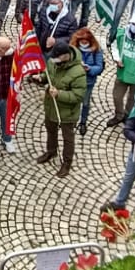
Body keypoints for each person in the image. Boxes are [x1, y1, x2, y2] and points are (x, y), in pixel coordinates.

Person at [37, 42, 86, 177]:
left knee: (68, 138)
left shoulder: (78, 72)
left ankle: (67, 162)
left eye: (56, 57)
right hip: (51, 106)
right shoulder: (53, 62)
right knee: (50, 130)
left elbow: (78, 96)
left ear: (65, 56)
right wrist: (41, 78)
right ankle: (51, 151)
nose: (53, 60)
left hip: (68, 112)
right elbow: (48, 75)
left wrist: (59, 94)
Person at [70, 28, 105, 137]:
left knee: (85, 102)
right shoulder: (73, 48)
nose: (84, 43)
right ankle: (72, 120)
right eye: (82, 41)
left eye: (86, 41)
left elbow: (99, 67)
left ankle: (83, 122)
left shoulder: (96, 50)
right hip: (75, 80)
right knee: (73, 101)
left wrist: (89, 69)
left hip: (88, 82)